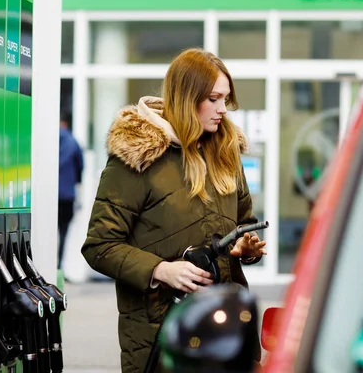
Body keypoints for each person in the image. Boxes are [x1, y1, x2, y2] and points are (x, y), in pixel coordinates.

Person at [81, 48, 267, 373]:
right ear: (186, 97)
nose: (223, 109)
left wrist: (245, 248)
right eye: (214, 98)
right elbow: (99, 246)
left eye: (226, 99)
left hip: (226, 331)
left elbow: (244, 221)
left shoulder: (226, 152)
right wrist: (161, 270)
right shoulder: (139, 156)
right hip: (161, 335)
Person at [58, 114, 84, 269]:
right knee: (63, 233)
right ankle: (59, 267)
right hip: (67, 196)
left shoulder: (47, 139)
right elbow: (80, 168)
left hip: (50, 196)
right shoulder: (73, 142)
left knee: (46, 232)